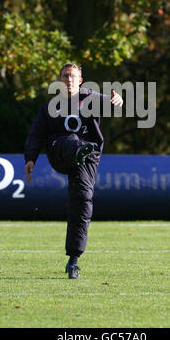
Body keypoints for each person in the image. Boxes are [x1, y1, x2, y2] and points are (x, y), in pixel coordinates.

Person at [24, 62, 123, 279]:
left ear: (80, 81)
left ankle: (73, 260)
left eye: (73, 76)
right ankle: (77, 148)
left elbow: (113, 104)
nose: (69, 80)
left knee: (83, 200)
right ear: (60, 81)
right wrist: (30, 158)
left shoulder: (92, 99)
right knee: (71, 140)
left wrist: (118, 101)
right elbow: (36, 134)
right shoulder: (50, 107)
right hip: (59, 153)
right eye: (65, 76)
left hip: (87, 158)